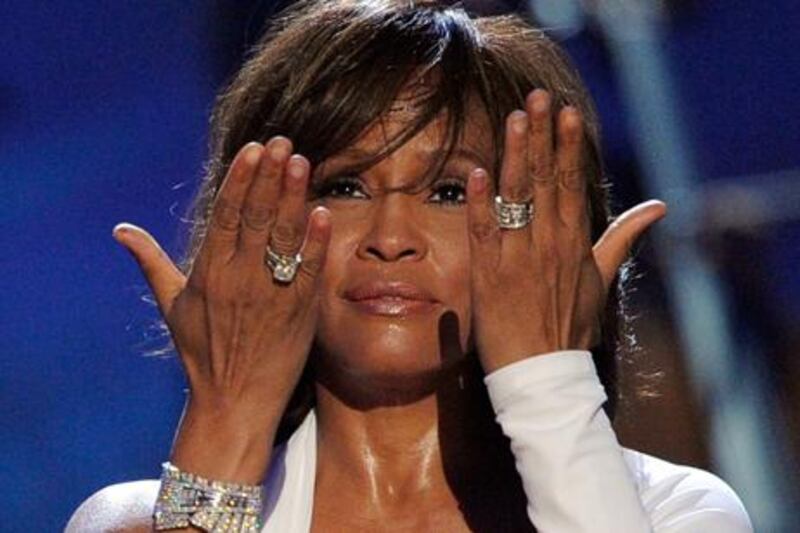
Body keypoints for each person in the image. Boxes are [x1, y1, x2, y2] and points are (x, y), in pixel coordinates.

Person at [67, 0, 753, 531]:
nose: (391, 237)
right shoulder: (131, 520)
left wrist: (549, 383)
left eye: (450, 191)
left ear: (548, 229)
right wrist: (225, 421)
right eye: (345, 185)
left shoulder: (674, 510)